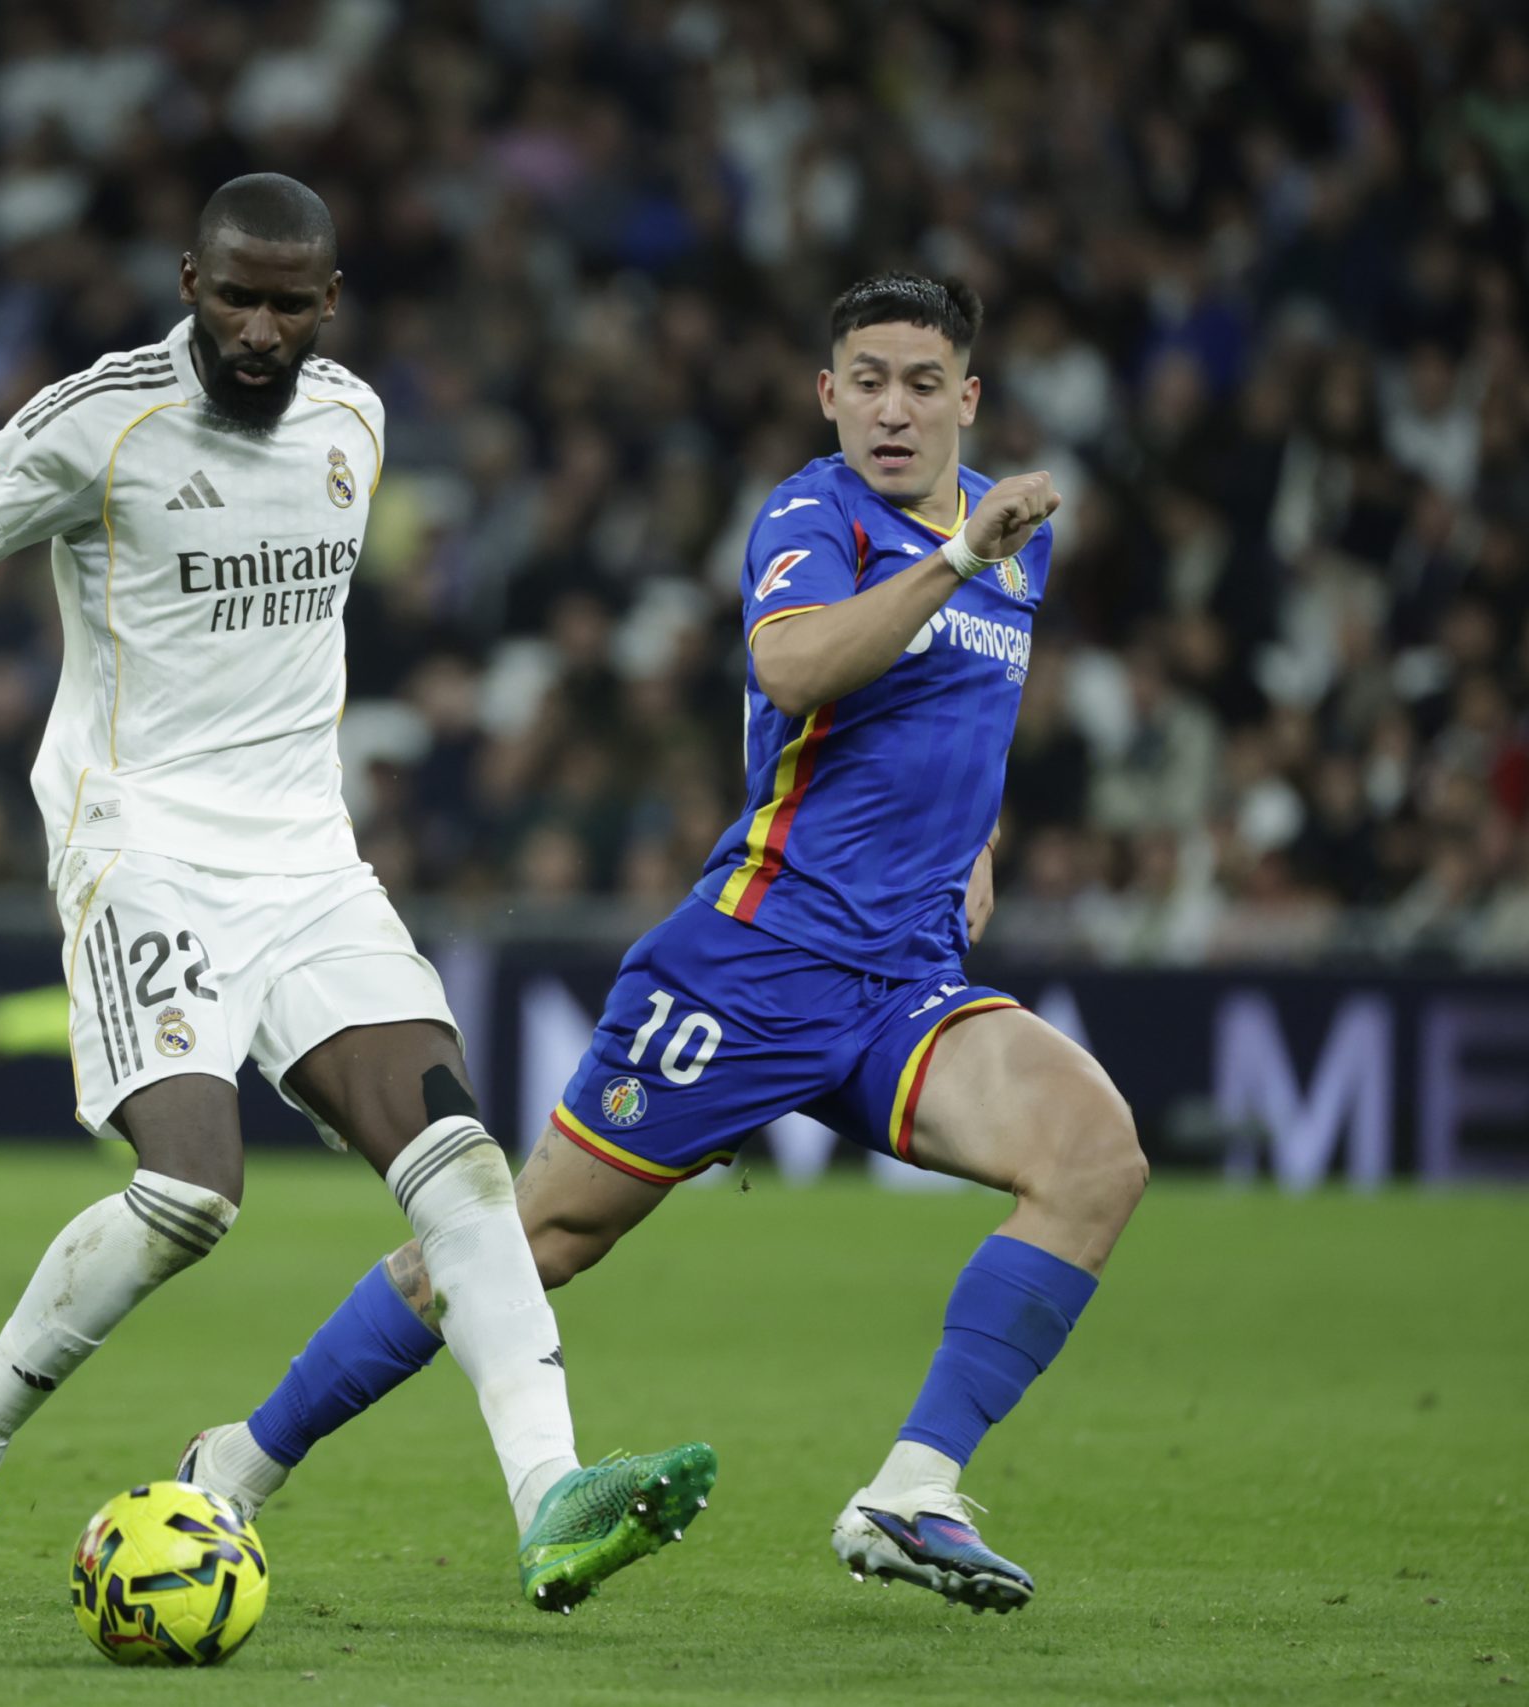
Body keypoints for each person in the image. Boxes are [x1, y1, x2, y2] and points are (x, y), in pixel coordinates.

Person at [0, 172, 714, 1624]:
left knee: (465, 1170)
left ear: (330, 306)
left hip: (309, 859)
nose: (258, 326)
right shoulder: (95, 420)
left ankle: (549, 1498)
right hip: (143, 845)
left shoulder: (356, 425)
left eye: (289, 303)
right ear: (189, 279)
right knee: (189, 1192)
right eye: (235, 294)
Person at [179, 273, 1149, 1616]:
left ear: (967, 398)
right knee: (523, 1245)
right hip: (754, 967)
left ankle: (912, 1488)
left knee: (1095, 1156)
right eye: (864, 378)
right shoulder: (825, 518)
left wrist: (972, 843)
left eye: (922, 382)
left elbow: (957, 718)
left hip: (902, 985)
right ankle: (235, 1461)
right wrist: (959, 556)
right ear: (827, 393)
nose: (891, 407)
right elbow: (796, 674)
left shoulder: (1009, 542)